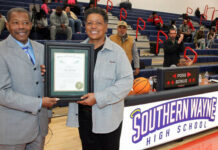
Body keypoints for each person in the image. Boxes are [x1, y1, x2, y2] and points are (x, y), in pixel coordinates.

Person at [67, 7, 133, 150]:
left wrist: (98, 97)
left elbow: (127, 82)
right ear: (85, 26)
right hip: (83, 117)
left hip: (108, 118)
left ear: (106, 26)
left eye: (98, 23)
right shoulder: (76, 50)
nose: (94, 26)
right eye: (90, 23)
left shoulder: (117, 52)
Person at [0, 7, 58, 150]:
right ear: (7, 25)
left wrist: (48, 113)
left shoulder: (42, 48)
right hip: (12, 129)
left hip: (40, 125)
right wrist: (39, 103)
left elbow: (45, 84)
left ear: (31, 25)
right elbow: (2, 93)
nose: (21, 27)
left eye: (25, 23)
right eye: (16, 23)